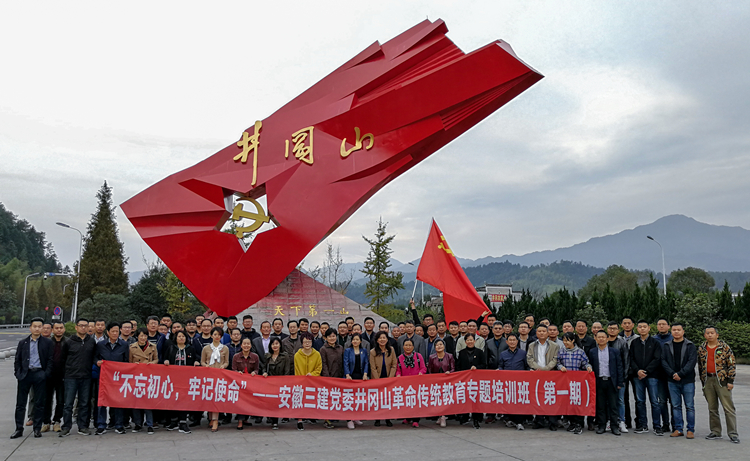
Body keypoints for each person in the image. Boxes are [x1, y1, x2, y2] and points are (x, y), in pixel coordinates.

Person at [12, 318, 53, 439]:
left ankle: (37, 428)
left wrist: (45, 374)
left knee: (39, 403)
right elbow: (18, 360)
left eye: (39, 326)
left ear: (42, 328)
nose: (37, 329)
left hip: (40, 374)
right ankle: (19, 429)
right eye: (35, 326)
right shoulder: (23, 343)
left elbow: (50, 360)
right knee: (20, 404)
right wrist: (18, 373)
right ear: (30, 328)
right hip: (25, 375)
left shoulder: (47, 343)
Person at [698, 325, 739, 443]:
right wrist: (703, 382)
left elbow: (731, 364)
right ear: (705, 335)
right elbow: (700, 365)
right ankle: (715, 431)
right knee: (712, 408)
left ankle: (733, 433)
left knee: (728, 408)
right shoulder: (702, 348)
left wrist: (730, 381)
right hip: (708, 380)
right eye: (708, 333)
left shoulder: (725, 347)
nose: (710, 335)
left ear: (717, 335)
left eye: (712, 333)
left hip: (722, 380)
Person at [60, 317, 96, 437]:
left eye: (86, 325)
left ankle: (83, 426)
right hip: (71, 376)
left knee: (84, 403)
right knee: (68, 404)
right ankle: (66, 427)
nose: (83, 328)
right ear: (76, 327)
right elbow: (63, 359)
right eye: (81, 325)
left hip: (86, 376)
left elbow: (94, 357)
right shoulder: (68, 342)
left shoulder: (91, 342)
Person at [662, 323, 697, 439]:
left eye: (678, 330)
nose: (676, 332)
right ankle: (678, 429)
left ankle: (690, 430)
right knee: (676, 406)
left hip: (687, 380)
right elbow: (663, 361)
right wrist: (672, 374)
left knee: (689, 406)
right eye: (674, 330)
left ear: (683, 331)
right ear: (671, 331)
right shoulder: (667, 345)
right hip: (672, 380)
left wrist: (680, 374)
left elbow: (691, 362)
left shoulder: (690, 345)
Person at [94, 322, 129, 435]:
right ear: (108, 332)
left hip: (118, 378)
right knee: (102, 401)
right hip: (104, 377)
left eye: (117, 331)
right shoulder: (100, 345)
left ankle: (119, 425)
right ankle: (101, 425)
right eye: (113, 331)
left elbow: (126, 361)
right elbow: (94, 358)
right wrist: (97, 362)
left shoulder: (124, 345)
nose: (115, 333)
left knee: (118, 401)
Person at [630, 319, 663, 435]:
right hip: (637, 376)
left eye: (645, 326)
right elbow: (631, 358)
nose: (642, 328)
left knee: (654, 402)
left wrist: (646, 371)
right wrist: (637, 371)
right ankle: (642, 425)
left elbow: (657, 359)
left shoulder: (655, 343)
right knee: (640, 401)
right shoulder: (634, 343)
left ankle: (657, 426)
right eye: (640, 327)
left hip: (652, 376)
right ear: (637, 329)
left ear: (649, 328)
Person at [163, 330, 199, 433]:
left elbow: (196, 358)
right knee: (173, 399)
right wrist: (166, 361)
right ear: (176, 338)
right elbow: (165, 358)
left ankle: (183, 422)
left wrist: (196, 362)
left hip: (186, 379)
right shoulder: (171, 348)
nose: (181, 338)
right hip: (173, 379)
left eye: (183, 336)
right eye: (179, 336)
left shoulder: (190, 349)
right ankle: (174, 421)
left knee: (184, 399)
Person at [588, 330, 623, 436]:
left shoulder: (614, 351)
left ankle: (614, 426)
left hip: (611, 381)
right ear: (595, 339)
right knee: (600, 405)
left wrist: (619, 382)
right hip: (598, 381)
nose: (601, 339)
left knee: (613, 405)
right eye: (599, 337)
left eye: (603, 337)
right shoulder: (592, 352)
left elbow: (619, 367)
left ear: (607, 339)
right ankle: (601, 426)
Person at [557, 332, 592, 435]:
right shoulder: (561, 351)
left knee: (577, 403)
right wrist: (560, 367)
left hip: (577, 383)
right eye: (564, 340)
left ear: (573, 340)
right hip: (565, 382)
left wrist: (588, 367)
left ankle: (579, 424)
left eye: (567, 340)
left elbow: (585, 362)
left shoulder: (580, 352)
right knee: (568, 403)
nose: (565, 342)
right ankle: (571, 423)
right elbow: (557, 362)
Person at [527, 325, 560, 431]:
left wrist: (545, 369)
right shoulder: (532, 345)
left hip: (550, 375)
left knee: (551, 398)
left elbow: (555, 359)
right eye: (539, 331)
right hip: (536, 375)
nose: (541, 333)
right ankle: (539, 421)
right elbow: (529, 358)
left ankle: (552, 422)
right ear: (536, 333)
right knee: (538, 398)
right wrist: (538, 369)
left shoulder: (555, 346)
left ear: (547, 333)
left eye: (543, 331)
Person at [129, 328, 158, 434]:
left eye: (145, 336)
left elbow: (156, 359)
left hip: (149, 376)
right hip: (137, 377)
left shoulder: (153, 346)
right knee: (136, 401)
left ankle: (150, 424)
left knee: (148, 402)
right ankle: (138, 424)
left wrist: (152, 363)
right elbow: (129, 362)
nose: (143, 338)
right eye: (141, 335)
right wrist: (134, 365)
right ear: (137, 336)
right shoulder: (132, 347)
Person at [497, 334, 528, 430]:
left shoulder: (523, 353)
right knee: (509, 401)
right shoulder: (503, 354)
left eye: (514, 340)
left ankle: (519, 421)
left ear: (517, 342)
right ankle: (509, 419)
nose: (512, 342)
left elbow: (526, 366)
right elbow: (501, 366)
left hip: (520, 382)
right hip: (508, 382)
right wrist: (499, 370)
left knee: (519, 402)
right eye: (510, 340)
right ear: (506, 342)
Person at [201, 327, 229, 432]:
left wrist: (223, 366)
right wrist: (206, 365)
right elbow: (202, 361)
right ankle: (210, 418)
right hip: (209, 375)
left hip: (220, 376)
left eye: (219, 335)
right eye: (215, 334)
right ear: (211, 335)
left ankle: (215, 420)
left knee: (217, 397)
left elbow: (226, 361)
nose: (217, 336)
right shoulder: (206, 348)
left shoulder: (225, 348)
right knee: (209, 397)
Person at [456, 334, 485, 429]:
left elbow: (484, 365)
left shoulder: (480, 352)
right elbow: (458, 366)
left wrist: (476, 367)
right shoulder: (461, 353)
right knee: (465, 398)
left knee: (476, 399)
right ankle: (464, 417)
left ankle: (476, 419)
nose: (469, 342)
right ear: (465, 342)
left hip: (476, 381)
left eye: (471, 340)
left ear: (474, 341)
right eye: (468, 340)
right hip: (465, 380)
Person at [262, 337, 292, 429]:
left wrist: (284, 381)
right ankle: (273, 420)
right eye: (273, 344)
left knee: (279, 401)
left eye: (276, 344)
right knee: (272, 401)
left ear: (280, 345)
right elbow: (264, 367)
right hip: (270, 383)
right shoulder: (267, 356)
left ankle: (278, 419)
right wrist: (264, 372)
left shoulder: (285, 356)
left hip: (281, 382)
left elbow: (287, 370)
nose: (275, 346)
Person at [294, 332, 322, 430]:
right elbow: (296, 369)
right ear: (302, 343)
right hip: (301, 382)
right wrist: (301, 379)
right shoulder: (297, 355)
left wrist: (312, 374)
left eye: (309, 342)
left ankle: (312, 416)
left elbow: (319, 368)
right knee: (300, 400)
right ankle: (300, 420)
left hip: (313, 381)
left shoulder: (317, 354)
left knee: (312, 399)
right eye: (305, 342)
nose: (307, 344)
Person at [396, 338, 426, 428]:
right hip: (405, 383)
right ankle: (408, 417)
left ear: (413, 347)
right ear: (403, 347)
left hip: (416, 382)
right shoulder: (400, 358)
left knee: (415, 400)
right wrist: (398, 375)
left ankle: (416, 420)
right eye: (406, 345)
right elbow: (398, 370)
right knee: (407, 400)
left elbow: (423, 368)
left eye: (410, 345)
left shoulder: (418, 356)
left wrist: (421, 373)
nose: (408, 347)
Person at [42, 320, 66, 433]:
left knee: (61, 400)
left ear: (64, 329)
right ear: (53, 330)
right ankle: (46, 422)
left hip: (62, 376)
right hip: (48, 375)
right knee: (47, 400)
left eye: (61, 328)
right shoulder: (47, 343)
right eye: (56, 328)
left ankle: (57, 421)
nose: (59, 330)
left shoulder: (68, 342)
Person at [370, 331, 397, 427]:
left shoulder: (391, 350)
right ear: (377, 340)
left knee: (387, 399)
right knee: (378, 399)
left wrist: (390, 378)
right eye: (380, 338)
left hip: (388, 378)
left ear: (387, 339)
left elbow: (394, 365)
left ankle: (387, 418)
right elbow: (373, 367)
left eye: (384, 338)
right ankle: (377, 419)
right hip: (377, 379)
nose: (382, 340)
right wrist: (378, 380)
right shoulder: (373, 352)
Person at [606, 321, 629, 433]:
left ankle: (621, 421)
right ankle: (609, 421)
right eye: (610, 328)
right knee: (607, 400)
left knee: (620, 400)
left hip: (619, 376)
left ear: (618, 330)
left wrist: (623, 377)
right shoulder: (603, 341)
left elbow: (626, 361)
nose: (612, 330)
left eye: (614, 328)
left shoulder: (622, 342)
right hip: (606, 376)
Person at [232, 337, 260, 430]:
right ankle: (240, 421)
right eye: (244, 344)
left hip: (250, 383)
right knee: (240, 401)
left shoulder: (255, 356)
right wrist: (237, 373)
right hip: (239, 383)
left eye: (248, 344)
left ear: (251, 346)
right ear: (241, 345)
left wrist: (254, 373)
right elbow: (233, 369)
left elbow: (257, 369)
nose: (246, 345)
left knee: (248, 401)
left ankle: (245, 419)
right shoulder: (236, 356)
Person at [427, 338, 454, 427]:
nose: (439, 346)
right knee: (438, 399)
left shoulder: (449, 356)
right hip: (436, 382)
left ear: (444, 346)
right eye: (437, 345)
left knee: (445, 399)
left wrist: (449, 372)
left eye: (441, 344)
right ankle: (440, 415)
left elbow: (453, 368)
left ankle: (443, 417)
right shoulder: (431, 357)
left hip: (447, 381)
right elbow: (429, 370)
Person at [343, 334, 369, 429]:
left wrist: (365, 374)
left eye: (357, 339)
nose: (355, 341)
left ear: (360, 341)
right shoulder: (348, 350)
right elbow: (345, 363)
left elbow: (366, 363)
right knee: (349, 398)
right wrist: (347, 374)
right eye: (353, 339)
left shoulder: (364, 350)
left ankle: (356, 417)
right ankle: (349, 419)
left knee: (358, 398)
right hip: (350, 376)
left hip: (360, 377)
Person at [320, 328, 344, 428]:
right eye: (329, 336)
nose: (332, 338)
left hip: (338, 376)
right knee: (327, 399)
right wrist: (327, 377)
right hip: (328, 377)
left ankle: (334, 416)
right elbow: (323, 363)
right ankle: (326, 420)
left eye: (334, 336)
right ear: (326, 338)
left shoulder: (340, 348)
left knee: (336, 397)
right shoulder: (323, 349)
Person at [653, 318, 674, 434]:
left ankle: (676, 424)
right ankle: (665, 424)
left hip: (672, 375)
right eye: (659, 324)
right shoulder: (654, 339)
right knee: (662, 401)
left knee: (674, 402)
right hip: (659, 375)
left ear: (668, 326)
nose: (661, 326)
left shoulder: (673, 338)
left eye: (663, 324)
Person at [620, 316, 638, 428]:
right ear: (621, 325)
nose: (627, 325)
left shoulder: (637, 338)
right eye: (625, 323)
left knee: (638, 398)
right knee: (624, 398)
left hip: (635, 372)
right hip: (623, 372)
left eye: (629, 323)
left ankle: (639, 422)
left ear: (633, 325)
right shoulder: (618, 338)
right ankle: (627, 421)